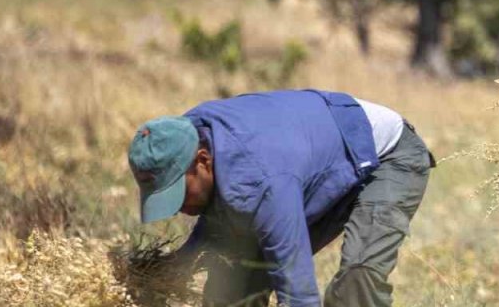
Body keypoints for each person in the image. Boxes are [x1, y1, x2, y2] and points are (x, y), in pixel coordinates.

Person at [127, 89, 435, 307]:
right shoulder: (184, 136)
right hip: (314, 160)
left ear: (204, 161)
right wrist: (171, 268)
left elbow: (298, 291)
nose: (180, 207)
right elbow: (221, 216)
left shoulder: (262, 178)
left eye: (179, 193)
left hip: (386, 155)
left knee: (359, 277)